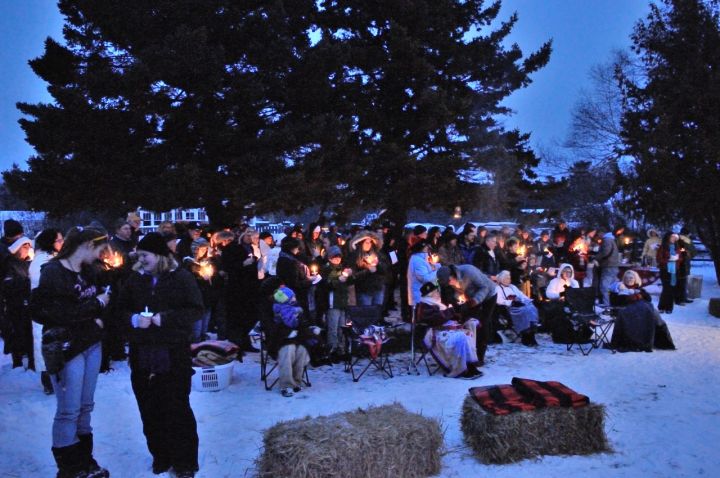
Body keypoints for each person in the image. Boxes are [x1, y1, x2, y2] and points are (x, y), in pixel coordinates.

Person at [118, 232, 202, 477]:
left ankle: (185, 460)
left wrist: (164, 318)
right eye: (139, 255)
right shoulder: (134, 280)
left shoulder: (182, 278)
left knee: (177, 407)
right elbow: (119, 310)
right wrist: (134, 320)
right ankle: (160, 455)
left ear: (159, 256)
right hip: (142, 353)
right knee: (149, 407)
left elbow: (195, 309)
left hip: (173, 352)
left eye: (145, 255)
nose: (141, 259)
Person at [31, 226, 111, 478]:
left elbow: (101, 299)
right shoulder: (53, 272)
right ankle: (69, 467)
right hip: (66, 347)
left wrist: (98, 313)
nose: (101, 255)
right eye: (99, 249)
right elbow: (58, 313)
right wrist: (96, 306)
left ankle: (85, 460)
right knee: (68, 410)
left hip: (91, 343)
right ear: (87, 245)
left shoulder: (89, 271)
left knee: (86, 406)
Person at [415, 282, 481, 379]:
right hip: (437, 334)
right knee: (461, 337)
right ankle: (459, 368)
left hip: (447, 331)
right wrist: (450, 311)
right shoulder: (425, 305)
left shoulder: (438, 303)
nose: (438, 292)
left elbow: (450, 316)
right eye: (436, 291)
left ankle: (470, 365)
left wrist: (459, 314)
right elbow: (435, 319)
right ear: (431, 294)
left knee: (468, 332)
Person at [436, 264, 496, 368]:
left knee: (482, 323)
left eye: (449, 281)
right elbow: (453, 294)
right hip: (471, 297)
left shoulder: (469, 271)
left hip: (489, 294)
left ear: (452, 275)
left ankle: (480, 356)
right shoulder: (447, 281)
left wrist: (474, 301)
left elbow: (484, 287)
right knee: (468, 322)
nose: (449, 284)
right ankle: (469, 354)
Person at [29, 228, 64, 394]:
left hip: (53, 310)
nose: (62, 243)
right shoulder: (41, 262)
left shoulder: (52, 259)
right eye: (59, 240)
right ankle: (49, 382)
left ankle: (55, 378)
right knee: (45, 345)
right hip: (44, 311)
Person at [609, 270, 676, 352]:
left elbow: (649, 299)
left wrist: (639, 296)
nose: (629, 280)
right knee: (646, 312)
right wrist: (628, 298)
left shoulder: (639, 289)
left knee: (652, 313)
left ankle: (659, 339)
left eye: (631, 278)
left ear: (635, 279)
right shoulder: (618, 287)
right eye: (626, 278)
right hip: (626, 311)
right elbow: (614, 301)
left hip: (643, 311)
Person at [2, 236, 34, 369]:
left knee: (28, 333)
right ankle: (17, 362)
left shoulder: (28, 263)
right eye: (25, 247)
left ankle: (28, 360)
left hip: (28, 305)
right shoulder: (10, 263)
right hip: (15, 305)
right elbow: (8, 284)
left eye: (29, 247)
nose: (28, 250)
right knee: (17, 333)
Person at [320, 246, 353, 362]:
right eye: (335, 257)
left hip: (342, 301)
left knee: (341, 327)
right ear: (329, 258)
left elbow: (350, 281)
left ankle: (341, 349)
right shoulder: (327, 269)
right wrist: (339, 280)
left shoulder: (342, 268)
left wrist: (349, 275)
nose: (337, 259)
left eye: (339, 257)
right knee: (333, 328)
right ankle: (332, 349)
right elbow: (326, 284)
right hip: (332, 302)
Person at [495, 270, 539, 346]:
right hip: (511, 308)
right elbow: (499, 300)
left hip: (520, 304)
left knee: (531, 307)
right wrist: (511, 302)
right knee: (525, 311)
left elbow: (521, 295)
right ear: (502, 279)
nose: (508, 280)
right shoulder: (498, 288)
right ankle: (526, 335)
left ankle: (531, 332)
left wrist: (526, 301)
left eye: (509, 278)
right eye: (506, 278)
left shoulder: (512, 287)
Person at [349, 231, 388, 306]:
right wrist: (368, 271)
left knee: (377, 312)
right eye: (366, 242)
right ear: (361, 243)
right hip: (364, 290)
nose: (368, 244)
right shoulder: (355, 256)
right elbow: (353, 275)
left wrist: (378, 265)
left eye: (370, 242)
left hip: (377, 288)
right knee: (366, 313)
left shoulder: (377, 255)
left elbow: (385, 269)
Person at [656, 232, 688, 314]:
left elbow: (681, 258)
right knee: (666, 288)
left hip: (675, 270)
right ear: (668, 238)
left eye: (674, 237)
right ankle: (662, 307)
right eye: (672, 237)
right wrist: (669, 259)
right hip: (665, 270)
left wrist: (677, 259)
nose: (673, 239)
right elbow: (659, 259)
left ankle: (668, 308)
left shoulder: (677, 247)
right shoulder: (662, 247)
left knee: (672, 289)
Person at [596, 228, 620, 306]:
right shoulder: (611, 240)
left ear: (602, 232)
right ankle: (612, 303)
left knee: (604, 286)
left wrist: (596, 257)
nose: (598, 235)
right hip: (613, 266)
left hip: (608, 266)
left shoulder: (607, 240)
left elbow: (605, 252)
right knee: (612, 286)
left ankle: (606, 305)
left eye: (598, 233)